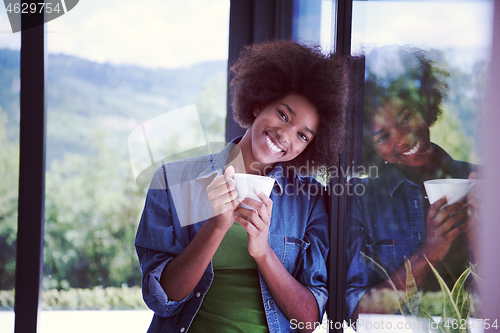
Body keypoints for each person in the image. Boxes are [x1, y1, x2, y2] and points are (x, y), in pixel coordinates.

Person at [135, 40, 349, 333]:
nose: (284, 135)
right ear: (260, 102)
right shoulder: (173, 181)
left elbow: (308, 321)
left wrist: (263, 251)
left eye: (302, 136)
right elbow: (161, 299)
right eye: (283, 115)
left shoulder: (309, 199)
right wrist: (216, 226)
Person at [345, 47, 478, 318]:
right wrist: (428, 254)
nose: (403, 139)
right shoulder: (362, 200)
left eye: (406, 117)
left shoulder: (482, 180)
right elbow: (357, 312)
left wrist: (483, 237)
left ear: (425, 106)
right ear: (368, 148)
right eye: (383, 137)